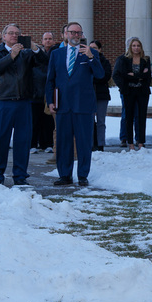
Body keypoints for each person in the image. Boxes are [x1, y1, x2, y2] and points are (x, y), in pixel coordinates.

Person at [0, 23, 48, 185]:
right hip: (3, 102)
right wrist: (11, 56)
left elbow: (44, 61)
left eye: (17, 33)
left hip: (23, 102)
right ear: (4, 36)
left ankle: (20, 176)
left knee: (23, 141)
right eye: (11, 33)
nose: (14, 36)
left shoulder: (27, 54)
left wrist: (35, 48)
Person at [46, 22, 104, 186]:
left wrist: (91, 57)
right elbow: (50, 80)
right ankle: (64, 175)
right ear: (65, 34)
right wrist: (50, 101)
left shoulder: (90, 52)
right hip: (63, 105)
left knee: (84, 142)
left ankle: (83, 175)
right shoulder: (57, 54)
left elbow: (100, 75)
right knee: (63, 142)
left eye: (79, 33)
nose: (76, 36)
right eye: (72, 32)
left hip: (84, 105)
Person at [113, 37, 152, 151]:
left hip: (142, 92)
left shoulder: (145, 59)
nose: (136, 48)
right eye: (134, 46)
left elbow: (147, 76)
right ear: (130, 47)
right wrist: (128, 82)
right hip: (128, 91)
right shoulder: (123, 59)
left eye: (138, 46)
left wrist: (132, 76)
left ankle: (140, 142)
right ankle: (130, 142)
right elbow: (118, 75)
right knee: (128, 117)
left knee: (141, 117)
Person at [31, 31, 57, 153]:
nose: (47, 41)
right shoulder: (35, 53)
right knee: (34, 120)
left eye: (50, 39)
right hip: (35, 92)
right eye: (45, 39)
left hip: (48, 93)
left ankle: (47, 144)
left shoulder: (56, 53)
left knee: (48, 120)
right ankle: (33, 144)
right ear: (42, 41)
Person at [88, 40, 112, 152]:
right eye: (91, 47)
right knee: (90, 120)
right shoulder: (85, 60)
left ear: (100, 49)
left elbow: (105, 76)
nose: (93, 49)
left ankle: (101, 144)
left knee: (101, 121)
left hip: (102, 94)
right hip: (89, 94)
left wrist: (96, 78)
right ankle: (91, 144)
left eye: (95, 48)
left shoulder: (105, 62)